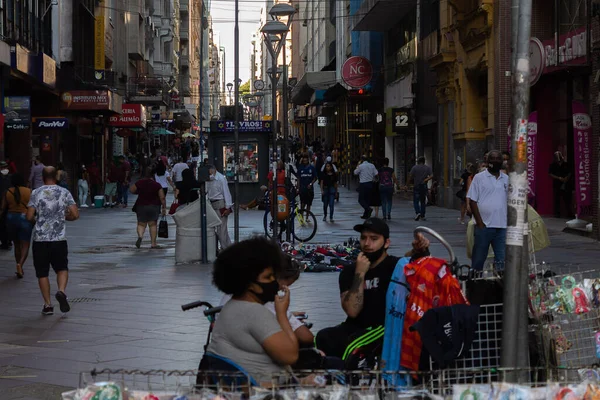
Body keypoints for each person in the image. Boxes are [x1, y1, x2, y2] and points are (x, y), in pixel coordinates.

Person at [315, 218, 429, 358]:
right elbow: (352, 311)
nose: (367, 244)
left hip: (382, 328)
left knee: (352, 348)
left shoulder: (395, 266)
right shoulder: (350, 271)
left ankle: (346, 377)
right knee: (320, 339)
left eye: (374, 239)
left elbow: (413, 264)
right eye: (363, 238)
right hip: (354, 326)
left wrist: (419, 250)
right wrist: (360, 273)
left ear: (386, 243)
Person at [207, 237, 299, 383]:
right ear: (249, 283)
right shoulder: (255, 313)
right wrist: (282, 314)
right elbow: (290, 356)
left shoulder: (232, 306)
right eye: (268, 277)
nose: (274, 282)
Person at [219, 254, 314, 346]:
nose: (282, 290)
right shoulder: (266, 299)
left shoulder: (238, 288)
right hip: (250, 354)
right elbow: (307, 338)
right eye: (285, 285)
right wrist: (284, 315)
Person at [26, 166, 79, 315]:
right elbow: (75, 214)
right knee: (62, 268)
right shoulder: (64, 192)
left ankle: (48, 305)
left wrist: (38, 220)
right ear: (56, 176)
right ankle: (61, 291)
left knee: (42, 272)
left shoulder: (35, 193)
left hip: (40, 239)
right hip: (59, 238)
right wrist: (64, 217)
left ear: (42, 177)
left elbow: (29, 216)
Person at [467, 150, 508, 271]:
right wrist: (480, 223)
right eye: (492, 159)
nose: (495, 161)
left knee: (502, 260)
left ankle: (500, 285)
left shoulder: (506, 179)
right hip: (484, 227)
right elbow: (473, 201)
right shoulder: (479, 178)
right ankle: (474, 284)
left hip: (502, 227)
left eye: (498, 159)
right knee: (478, 260)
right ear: (487, 161)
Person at [1, 173, 33, 278]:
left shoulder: (8, 192)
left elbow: (2, 208)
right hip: (25, 218)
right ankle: (20, 264)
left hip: (11, 218)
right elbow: (33, 207)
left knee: (16, 244)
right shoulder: (29, 191)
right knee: (25, 244)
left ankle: (18, 265)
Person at [130, 167, 167, 249]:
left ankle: (140, 236)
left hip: (141, 205)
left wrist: (139, 192)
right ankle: (153, 243)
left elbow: (132, 190)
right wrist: (164, 208)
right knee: (152, 224)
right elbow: (162, 198)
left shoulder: (140, 182)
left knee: (141, 224)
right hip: (154, 206)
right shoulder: (157, 185)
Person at [206, 165, 233, 249]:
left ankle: (225, 248)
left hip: (220, 204)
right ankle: (227, 247)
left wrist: (227, 207)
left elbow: (226, 192)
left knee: (221, 229)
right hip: (212, 204)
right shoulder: (208, 179)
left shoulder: (221, 178)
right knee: (220, 229)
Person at [549, 151, 572, 218]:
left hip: (565, 184)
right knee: (557, 199)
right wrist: (558, 178)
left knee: (567, 199)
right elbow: (550, 174)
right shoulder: (552, 165)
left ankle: (569, 213)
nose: (558, 160)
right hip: (557, 184)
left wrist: (566, 178)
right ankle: (557, 213)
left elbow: (570, 172)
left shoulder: (566, 164)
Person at [409, 156, 433, 221]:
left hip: (416, 185)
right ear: (424, 161)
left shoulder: (414, 167)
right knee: (423, 201)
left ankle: (418, 212)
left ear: (418, 161)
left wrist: (407, 184)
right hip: (424, 186)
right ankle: (422, 215)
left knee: (416, 201)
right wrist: (426, 179)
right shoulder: (427, 168)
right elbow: (431, 175)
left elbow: (410, 176)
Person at [0, 162, 12, 250]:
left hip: (10, 203)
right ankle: (5, 241)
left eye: (5, 167)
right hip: (1, 203)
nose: (4, 169)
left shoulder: (10, 177)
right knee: (2, 224)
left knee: (7, 223)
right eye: (2, 167)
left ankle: (8, 241)